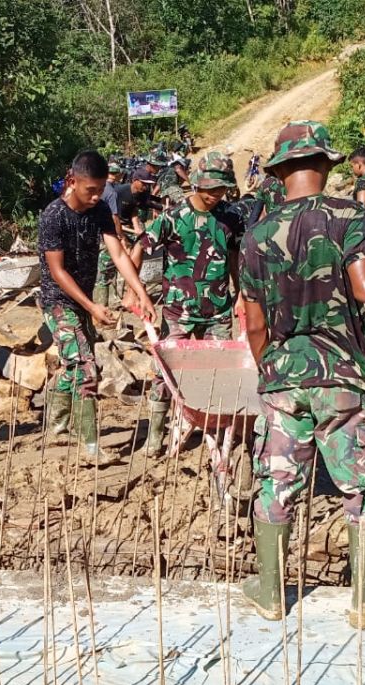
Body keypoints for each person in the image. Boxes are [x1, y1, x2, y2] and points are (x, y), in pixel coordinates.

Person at [239, 121, 365, 629]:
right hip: (343, 374)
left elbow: (255, 319)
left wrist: (271, 366)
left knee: (278, 481)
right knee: (363, 485)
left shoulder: (257, 234)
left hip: (284, 375)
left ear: (279, 171)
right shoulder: (349, 215)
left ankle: (269, 592)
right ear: (327, 165)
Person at [38, 149, 156, 464]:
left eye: (100, 190)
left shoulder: (101, 209)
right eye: (90, 190)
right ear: (72, 181)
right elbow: (57, 272)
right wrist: (92, 307)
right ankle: (90, 446)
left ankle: (58, 424)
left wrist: (139, 291)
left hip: (82, 301)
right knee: (85, 366)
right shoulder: (53, 216)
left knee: (73, 365)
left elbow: (118, 254)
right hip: (57, 302)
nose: (95, 196)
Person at [132, 150, 242, 456]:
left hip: (218, 312)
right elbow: (139, 248)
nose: (215, 196)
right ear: (196, 185)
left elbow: (234, 256)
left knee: (218, 373)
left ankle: (216, 437)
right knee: (163, 372)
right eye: (210, 189)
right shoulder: (174, 218)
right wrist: (135, 290)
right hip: (179, 311)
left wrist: (241, 292)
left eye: (221, 190)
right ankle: (155, 437)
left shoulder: (231, 217)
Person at [94, 172, 146, 306]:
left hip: (121, 230)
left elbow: (133, 210)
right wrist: (121, 237)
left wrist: (135, 226)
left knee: (119, 265)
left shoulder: (140, 193)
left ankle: (117, 300)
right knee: (105, 268)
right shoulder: (114, 192)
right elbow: (114, 218)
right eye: (111, 174)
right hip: (112, 231)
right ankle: (102, 304)